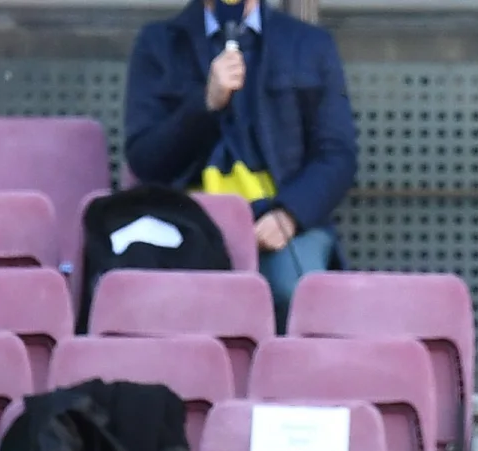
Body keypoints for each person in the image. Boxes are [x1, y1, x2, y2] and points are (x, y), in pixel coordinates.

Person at [124, 0, 358, 330]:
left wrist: (289, 215)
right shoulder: (160, 44)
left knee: (292, 290)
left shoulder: (309, 45)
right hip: (189, 222)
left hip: (279, 220)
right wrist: (205, 104)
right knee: (155, 299)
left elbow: (337, 155)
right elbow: (145, 159)